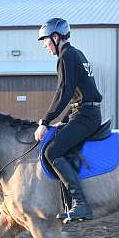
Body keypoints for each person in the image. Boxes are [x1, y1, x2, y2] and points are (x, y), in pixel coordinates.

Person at [35, 18, 103, 222]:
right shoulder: (76, 54)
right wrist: (63, 121)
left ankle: (81, 204)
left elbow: (64, 92)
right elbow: (76, 95)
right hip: (83, 113)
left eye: (45, 40)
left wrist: (45, 121)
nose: (44, 45)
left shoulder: (66, 57)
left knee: (51, 150)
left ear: (56, 37)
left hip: (85, 116)